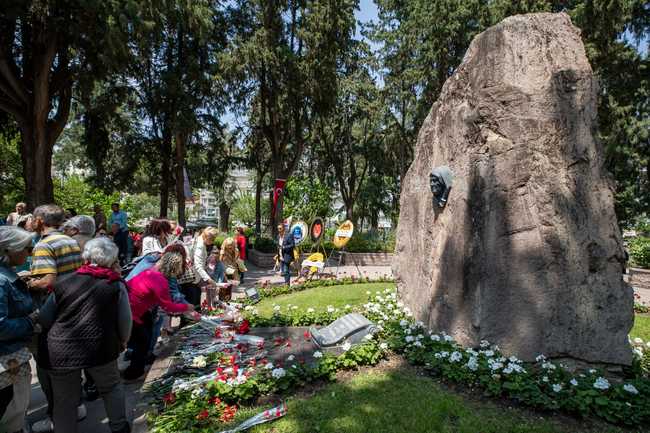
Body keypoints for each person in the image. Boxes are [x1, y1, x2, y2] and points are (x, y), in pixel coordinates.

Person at [38, 238, 131, 433]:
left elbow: (45, 318)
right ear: (112, 260)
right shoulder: (114, 284)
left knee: (64, 400)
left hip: (60, 349)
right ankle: (119, 427)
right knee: (111, 387)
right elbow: (125, 319)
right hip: (101, 345)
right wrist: (123, 340)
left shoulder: (63, 282)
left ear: (86, 257)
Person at [26, 204, 85, 433]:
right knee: (71, 363)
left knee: (47, 365)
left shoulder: (43, 245)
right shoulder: (70, 241)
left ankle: (56, 416)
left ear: (40, 220)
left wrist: (29, 282)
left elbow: (48, 281)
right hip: (72, 306)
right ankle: (76, 405)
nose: (31, 221)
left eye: (33, 218)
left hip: (52, 312)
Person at [123, 250, 194, 381]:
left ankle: (136, 367)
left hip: (133, 308)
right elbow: (168, 306)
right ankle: (133, 374)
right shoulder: (160, 280)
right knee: (142, 342)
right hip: (131, 311)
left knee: (145, 336)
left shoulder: (151, 270)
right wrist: (187, 307)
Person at [0, 226, 38, 433]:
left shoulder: (7, 277)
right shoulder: (2, 281)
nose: (29, 252)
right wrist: (30, 321)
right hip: (8, 359)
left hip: (11, 356)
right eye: (27, 248)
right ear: (9, 250)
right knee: (12, 414)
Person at [191, 227, 219, 307]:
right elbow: (198, 265)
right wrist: (209, 279)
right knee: (194, 301)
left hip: (195, 278)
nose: (212, 242)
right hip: (193, 278)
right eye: (212, 240)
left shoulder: (199, 241)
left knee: (196, 300)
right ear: (207, 237)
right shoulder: (200, 245)